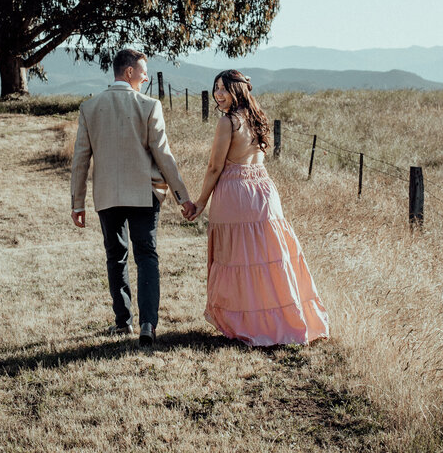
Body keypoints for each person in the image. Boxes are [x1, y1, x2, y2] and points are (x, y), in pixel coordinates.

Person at [189, 70, 330, 347]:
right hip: (264, 191)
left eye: (224, 89)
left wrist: (201, 202)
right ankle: (280, 319)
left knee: (238, 258)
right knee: (269, 259)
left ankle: (248, 321)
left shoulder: (227, 122)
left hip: (236, 192)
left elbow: (215, 166)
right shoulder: (258, 118)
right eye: (216, 88)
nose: (218, 94)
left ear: (237, 92)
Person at [70, 49, 196, 347]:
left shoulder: (90, 107)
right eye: (142, 71)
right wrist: (182, 197)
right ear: (128, 72)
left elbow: (80, 159)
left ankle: (122, 322)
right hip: (144, 193)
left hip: (107, 196)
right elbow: (163, 155)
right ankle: (148, 325)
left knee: (116, 257)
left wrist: (78, 203)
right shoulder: (149, 105)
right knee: (147, 256)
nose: (146, 77)